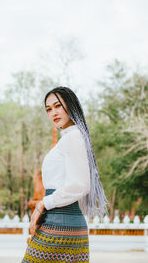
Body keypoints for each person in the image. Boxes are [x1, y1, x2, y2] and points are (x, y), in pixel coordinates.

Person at [22, 86, 109, 263]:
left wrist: (42, 205)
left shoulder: (73, 137)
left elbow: (80, 185)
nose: (53, 112)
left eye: (58, 106)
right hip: (64, 222)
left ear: (70, 105)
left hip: (60, 225)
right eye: (48, 109)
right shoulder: (71, 137)